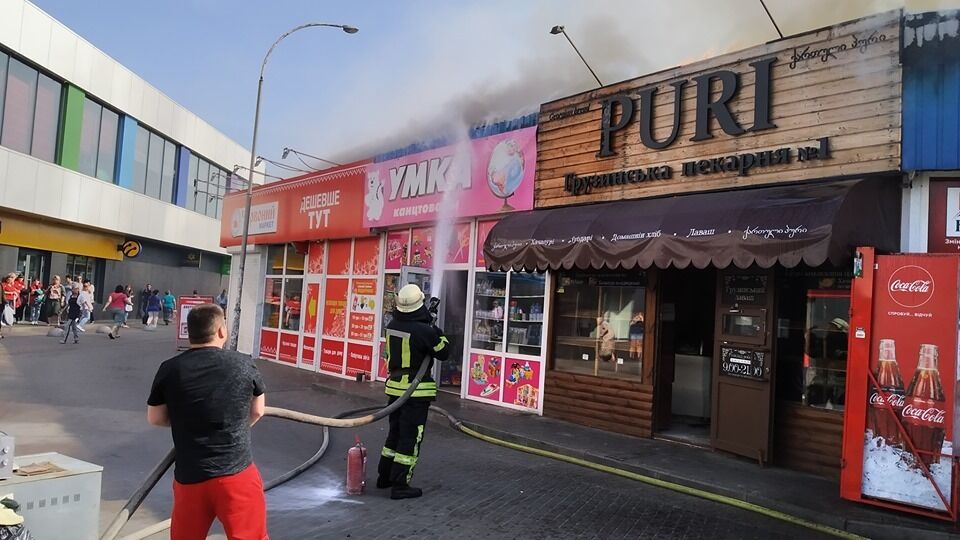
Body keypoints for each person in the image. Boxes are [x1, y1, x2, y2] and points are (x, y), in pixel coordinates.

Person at [147, 304, 267, 539]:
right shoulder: (243, 363)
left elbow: (156, 418)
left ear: (190, 333)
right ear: (221, 331)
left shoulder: (170, 369)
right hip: (236, 475)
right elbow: (258, 411)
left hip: (190, 477)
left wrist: (188, 419)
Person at [377, 284, 449, 500]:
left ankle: (384, 476)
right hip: (415, 393)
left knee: (395, 433)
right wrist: (436, 330)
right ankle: (400, 485)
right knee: (411, 437)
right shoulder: (424, 331)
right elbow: (443, 352)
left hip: (395, 389)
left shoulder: (393, 324)